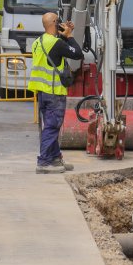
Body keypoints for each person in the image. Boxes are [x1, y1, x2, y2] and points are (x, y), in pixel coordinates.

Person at [28, 12, 82, 174]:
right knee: (52, 126)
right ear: (53, 23)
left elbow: (55, 52)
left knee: (51, 126)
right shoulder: (56, 44)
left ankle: (55, 158)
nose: (61, 23)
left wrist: (63, 36)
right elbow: (77, 53)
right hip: (53, 92)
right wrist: (70, 36)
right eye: (58, 21)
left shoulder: (38, 42)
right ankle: (44, 162)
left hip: (42, 92)